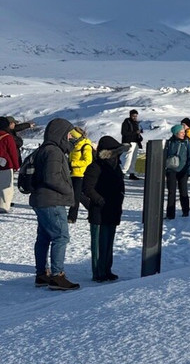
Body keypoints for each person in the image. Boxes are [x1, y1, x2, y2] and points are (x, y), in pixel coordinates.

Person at [29, 117, 81, 290]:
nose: (69, 138)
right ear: (60, 134)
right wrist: (68, 190)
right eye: (68, 134)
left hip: (41, 199)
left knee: (43, 237)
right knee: (60, 236)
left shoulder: (44, 149)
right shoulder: (54, 152)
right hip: (51, 200)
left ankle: (42, 275)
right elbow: (52, 177)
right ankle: (57, 276)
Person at [78, 135, 124, 282]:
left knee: (109, 242)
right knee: (99, 243)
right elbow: (87, 188)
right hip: (99, 211)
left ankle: (107, 269)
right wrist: (100, 200)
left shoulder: (117, 166)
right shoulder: (95, 166)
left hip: (113, 210)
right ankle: (98, 272)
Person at [164, 123, 190, 218]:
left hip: (183, 171)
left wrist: (189, 171)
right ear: (175, 133)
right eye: (181, 132)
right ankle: (170, 214)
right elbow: (164, 155)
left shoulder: (187, 142)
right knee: (171, 192)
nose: (183, 133)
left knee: (183, 191)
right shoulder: (169, 143)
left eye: (183, 132)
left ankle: (186, 211)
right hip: (171, 170)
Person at [68, 127, 94, 223]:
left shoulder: (85, 145)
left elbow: (88, 161)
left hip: (80, 174)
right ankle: (92, 209)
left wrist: (73, 164)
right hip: (72, 173)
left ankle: (72, 217)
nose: (70, 137)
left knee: (75, 196)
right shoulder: (74, 145)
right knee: (78, 195)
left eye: (72, 135)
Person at [0, 117, 20, 213]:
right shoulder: (7, 137)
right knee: (6, 188)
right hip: (6, 165)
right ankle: (4, 206)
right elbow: (13, 153)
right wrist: (16, 166)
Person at [120, 109, 143, 180]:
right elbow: (124, 133)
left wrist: (139, 136)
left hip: (135, 143)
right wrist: (135, 132)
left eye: (136, 116)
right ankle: (122, 172)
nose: (135, 117)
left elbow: (136, 133)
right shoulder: (126, 122)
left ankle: (131, 173)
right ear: (130, 115)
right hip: (129, 142)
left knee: (133, 159)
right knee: (127, 158)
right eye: (133, 116)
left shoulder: (136, 123)